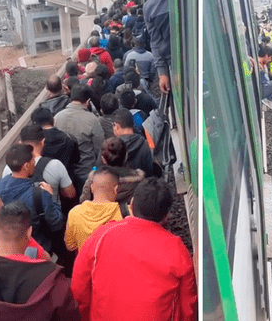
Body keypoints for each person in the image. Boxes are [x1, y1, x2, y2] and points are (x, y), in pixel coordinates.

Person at [71, 178, 197, 321]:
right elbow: (188, 307)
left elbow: (79, 288)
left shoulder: (101, 237)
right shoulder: (177, 250)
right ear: (166, 216)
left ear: (131, 204)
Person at [0, 144, 64, 253]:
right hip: (38, 251)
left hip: (9, 249)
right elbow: (56, 223)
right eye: (33, 159)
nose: (35, 163)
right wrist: (51, 197)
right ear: (26, 165)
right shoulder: (40, 195)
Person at [54, 84, 105, 194]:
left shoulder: (57, 117)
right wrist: (95, 170)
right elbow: (100, 148)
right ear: (88, 101)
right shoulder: (92, 119)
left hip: (64, 171)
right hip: (86, 171)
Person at [64, 166, 122, 252]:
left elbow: (70, 246)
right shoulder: (123, 214)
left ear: (91, 187)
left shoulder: (74, 213)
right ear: (116, 189)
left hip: (85, 264)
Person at [139, 0, 171, 94]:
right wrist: (162, 73)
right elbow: (156, 42)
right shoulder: (148, 8)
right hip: (176, 70)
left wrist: (243, 51)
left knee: (246, 70)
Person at [31, 107, 79, 173]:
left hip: (42, 180)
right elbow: (76, 160)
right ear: (52, 120)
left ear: (34, 124)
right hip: (67, 178)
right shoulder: (69, 138)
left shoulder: (34, 143)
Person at [112, 108, 154, 177]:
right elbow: (149, 171)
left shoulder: (110, 147)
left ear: (117, 126)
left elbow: (97, 169)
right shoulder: (144, 143)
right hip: (143, 185)